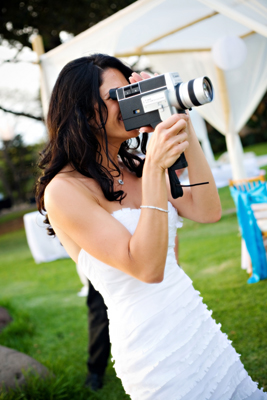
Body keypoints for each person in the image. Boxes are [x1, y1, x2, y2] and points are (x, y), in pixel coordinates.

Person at [36, 54, 266, 399]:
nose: (129, 103)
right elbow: (146, 267)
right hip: (155, 352)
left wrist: (182, 124)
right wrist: (156, 168)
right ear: (82, 110)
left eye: (133, 92)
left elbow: (207, 210)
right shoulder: (64, 191)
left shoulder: (137, 165)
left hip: (195, 322)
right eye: (116, 96)